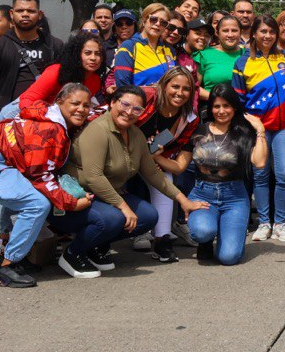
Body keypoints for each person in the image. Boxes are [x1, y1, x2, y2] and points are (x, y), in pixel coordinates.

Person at [53, 87, 208, 278]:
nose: (129, 112)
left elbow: (152, 174)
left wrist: (184, 201)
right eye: (125, 104)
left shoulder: (135, 134)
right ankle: (73, 253)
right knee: (115, 218)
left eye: (137, 109)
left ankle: (94, 245)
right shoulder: (97, 130)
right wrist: (124, 207)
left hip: (105, 198)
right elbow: (94, 177)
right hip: (77, 199)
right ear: (112, 103)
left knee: (148, 216)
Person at [0, 84, 94, 288]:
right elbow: (40, 176)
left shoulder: (48, 114)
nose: (81, 109)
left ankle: (7, 250)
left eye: (86, 105)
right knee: (36, 204)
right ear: (60, 102)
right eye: (75, 103)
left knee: (23, 191)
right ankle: (7, 267)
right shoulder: (51, 128)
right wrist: (71, 203)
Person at [186, 85, 269, 265]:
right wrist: (155, 158)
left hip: (235, 197)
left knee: (228, 258)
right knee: (203, 231)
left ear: (234, 108)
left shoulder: (244, 133)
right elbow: (180, 165)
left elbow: (260, 162)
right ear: (210, 108)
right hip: (202, 194)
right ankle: (206, 240)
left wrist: (260, 130)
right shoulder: (199, 130)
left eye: (226, 106)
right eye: (216, 106)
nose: (221, 111)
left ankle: (227, 235)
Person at [235, 14, 285, 243]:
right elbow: (239, 102)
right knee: (260, 175)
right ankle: (264, 223)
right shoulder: (242, 62)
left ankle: (280, 223)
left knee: (284, 175)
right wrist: (251, 126)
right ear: (253, 33)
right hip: (258, 130)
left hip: (284, 128)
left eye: (271, 32)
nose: (267, 36)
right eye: (263, 31)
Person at [130, 67, 200, 262]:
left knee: (166, 178)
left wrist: (157, 158)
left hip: (151, 161)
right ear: (163, 85)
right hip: (121, 154)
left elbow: (179, 167)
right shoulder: (144, 96)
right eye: (175, 86)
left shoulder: (189, 118)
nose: (180, 93)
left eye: (186, 89)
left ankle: (162, 240)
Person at [0, 0, 64, 128]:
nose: (25, 14)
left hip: (47, 120)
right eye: (20, 10)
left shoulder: (56, 46)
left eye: (30, 11)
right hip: (7, 121)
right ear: (12, 14)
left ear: (40, 14)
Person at [18, 31, 105, 108]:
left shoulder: (95, 81)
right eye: (87, 53)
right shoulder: (55, 71)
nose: (93, 58)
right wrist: (49, 119)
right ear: (76, 54)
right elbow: (26, 101)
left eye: (98, 54)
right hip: (20, 112)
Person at [113, 3, 176, 87]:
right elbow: (122, 86)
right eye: (153, 19)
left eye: (163, 22)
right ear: (144, 21)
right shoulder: (128, 47)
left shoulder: (170, 50)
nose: (158, 24)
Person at [196, 14, 246, 105]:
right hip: (213, 110)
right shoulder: (204, 54)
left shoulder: (249, 55)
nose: (230, 35)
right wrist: (219, 99)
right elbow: (194, 87)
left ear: (240, 32)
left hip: (243, 111)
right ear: (217, 32)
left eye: (234, 30)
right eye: (225, 30)